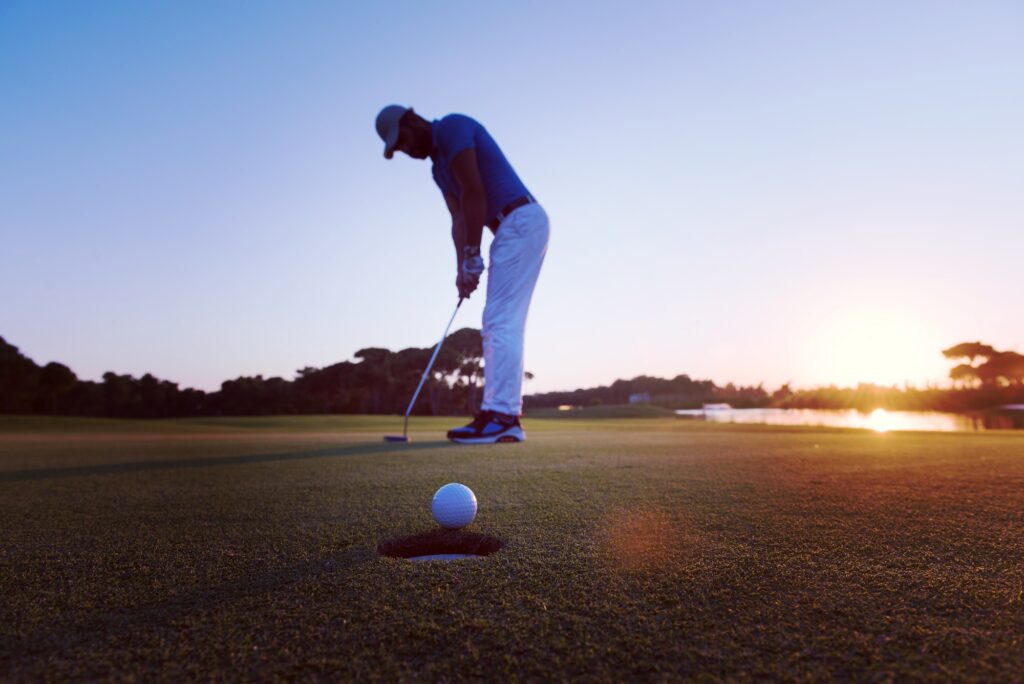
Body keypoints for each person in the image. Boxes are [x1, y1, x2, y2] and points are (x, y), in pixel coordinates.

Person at [375, 105, 549, 444]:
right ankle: (497, 413)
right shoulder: (438, 169)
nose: (407, 151)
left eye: (404, 141)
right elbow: (458, 217)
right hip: (509, 228)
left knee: (501, 321)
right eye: (398, 149)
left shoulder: (452, 128)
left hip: (520, 219)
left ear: (412, 119)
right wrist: (462, 267)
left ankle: (503, 416)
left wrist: (473, 252)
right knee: (496, 321)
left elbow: (474, 191)